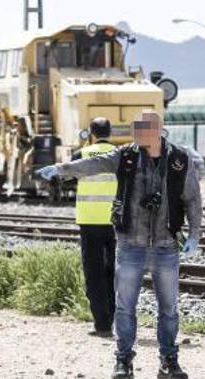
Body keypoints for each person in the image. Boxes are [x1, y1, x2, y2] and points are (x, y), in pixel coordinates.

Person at [36, 110, 202, 379]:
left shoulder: (179, 159)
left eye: (142, 127)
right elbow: (95, 164)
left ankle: (168, 360)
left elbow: (193, 199)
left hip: (165, 245)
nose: (136, 132)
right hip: (130, 244)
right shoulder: (126, 155)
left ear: (158, 130)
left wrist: (194, 234)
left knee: (169, 309)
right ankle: (123, 359)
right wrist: (61, 170)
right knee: (125, 307)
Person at [71, 117, 118, 336]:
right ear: (110, 133)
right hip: (116, 223)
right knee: (114, 272)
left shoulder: (81, 155)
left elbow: (66, 179)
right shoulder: (120, 155)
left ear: (91, 132)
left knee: (94, 272)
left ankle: (102, 324)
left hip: (89, 222)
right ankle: (116, 318)